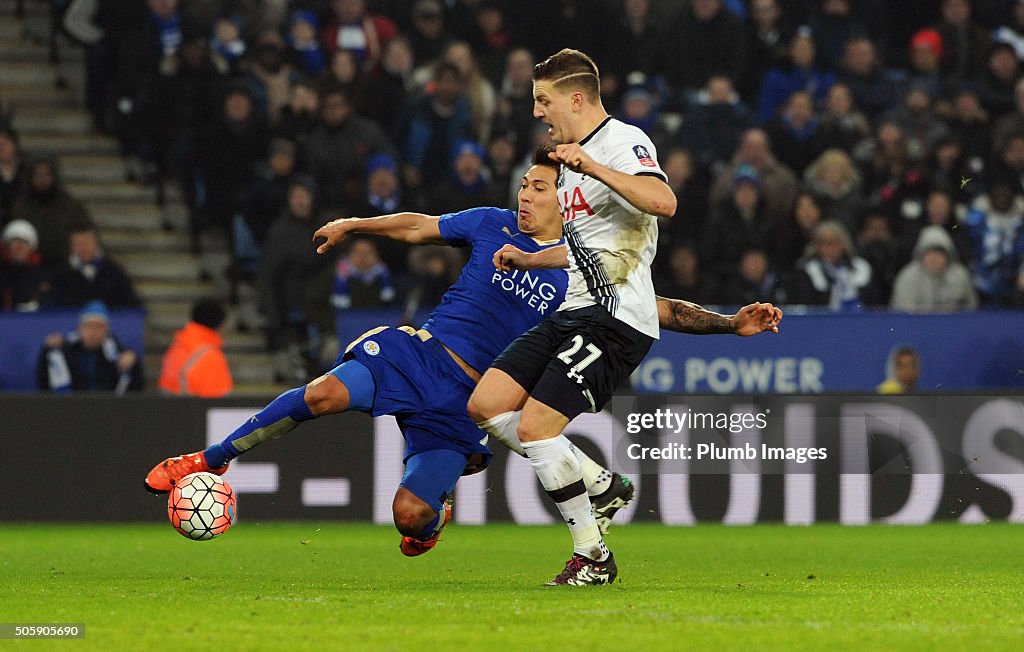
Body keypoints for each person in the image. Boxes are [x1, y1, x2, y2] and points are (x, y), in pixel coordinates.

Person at [145, 145, 783, 561]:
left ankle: (436, 512)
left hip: (471, 403)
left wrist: (730, 325)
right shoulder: (488, 223)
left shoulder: (590, 262)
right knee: (322, 394)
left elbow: (659, 309)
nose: (526, 195)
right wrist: (356, 225)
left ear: (565, 199)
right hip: (417, 354)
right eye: (525, 186)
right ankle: (208, 459)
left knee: (409, 514)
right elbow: (419, 225)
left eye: (538, 188)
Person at [466, 48, 677, 586]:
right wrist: (534, 257)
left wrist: (595, 167)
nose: (538, 111)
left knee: (536, 428)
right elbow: (588, 244)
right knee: (486, 405)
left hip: (615, 319)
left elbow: (663, 200)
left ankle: (593, 556)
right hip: (575, 309)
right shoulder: (570, 162)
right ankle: (600, 484)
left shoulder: (622, 142)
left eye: (545, 100)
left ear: (576, 99)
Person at [37, 300, 143, 393]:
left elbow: (136, 391)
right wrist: (46, 350)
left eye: (98, 327)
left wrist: (133, 365)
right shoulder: (64, 352)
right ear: (79, 329)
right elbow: (44, 385)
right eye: (88, 327)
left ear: (107, 331)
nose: (93, 332)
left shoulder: (117, 355)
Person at [890, 225, 977, 312]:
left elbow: (971, 308)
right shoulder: (907, 277)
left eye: (939, 252)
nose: (934, 258)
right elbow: (903, 313)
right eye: (930, 252)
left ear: (948, 255)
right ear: (921, 254)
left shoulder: (960, 275)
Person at [158, 299, 233, 397]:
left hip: (168, 408)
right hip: (194, 410)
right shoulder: (210, 357)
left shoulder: (177, 345)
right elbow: (217, 400)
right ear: (221, 325)